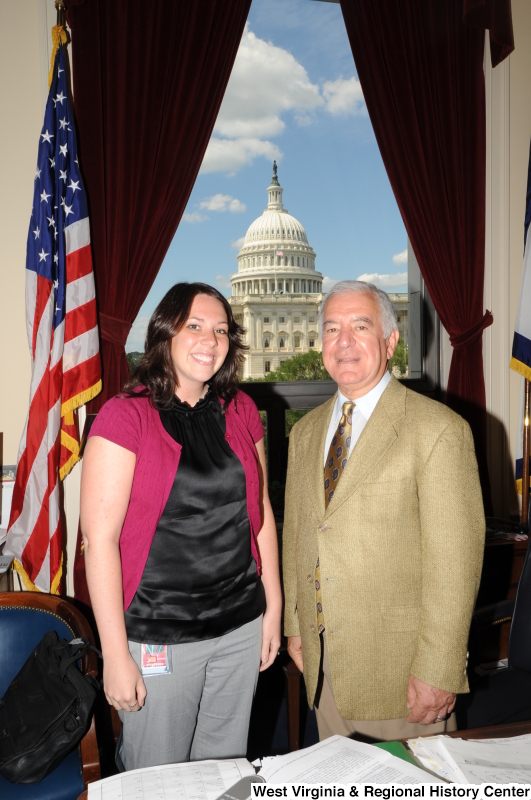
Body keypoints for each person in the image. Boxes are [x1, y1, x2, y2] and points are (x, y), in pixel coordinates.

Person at [80, 282, 282, 769]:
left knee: (225, 768)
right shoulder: (124, 416)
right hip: (160, 635)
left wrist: (272, 606)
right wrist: (115, 654)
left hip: (239, 624)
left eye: (220, 330)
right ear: (165, 332)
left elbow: (261, 512)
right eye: (194, 326)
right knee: (159, 775)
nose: (209, 341)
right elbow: (99, 541)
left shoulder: (241, 411)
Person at [283, 280, 485, 742]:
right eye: (332, 328)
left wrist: (440, 667)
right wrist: (296, 627)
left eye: (360, 326)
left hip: (402, 671)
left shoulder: (438, 430)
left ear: (391, 341)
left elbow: (455, 563)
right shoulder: (306, 433)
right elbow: (298, 535)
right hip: (323, 661)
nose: (344, 341)